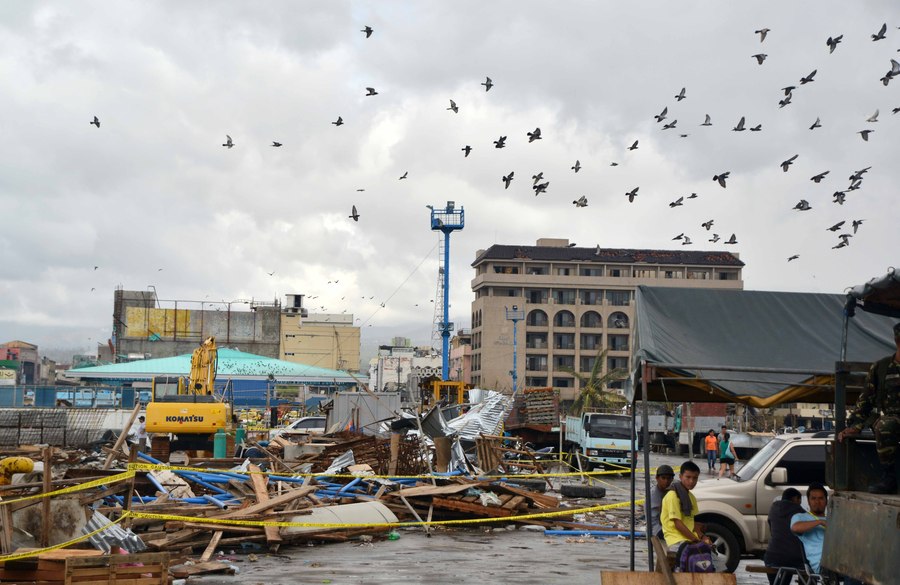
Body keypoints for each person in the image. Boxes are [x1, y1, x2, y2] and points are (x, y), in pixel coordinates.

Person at [838, 321, 900, 494]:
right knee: (885, 426)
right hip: (894, 418)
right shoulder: (882, 367)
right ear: (897, 341)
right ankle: (889, 477)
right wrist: (855, 425)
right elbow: (866, 399)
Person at [660, 460, 715, 572]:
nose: (691, 481)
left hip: (688, 538)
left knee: (712, 557)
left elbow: (691, 522)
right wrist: (696, 540)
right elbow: (678, 523)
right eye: (688, 477)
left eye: (695, 478)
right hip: (675, 539)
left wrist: (703, 537)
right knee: (698, 557)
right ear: (680, 477)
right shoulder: (672, 496)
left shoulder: (691, 497)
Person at [763, 488, 806, 585]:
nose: (799, 503)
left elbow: (772, 531)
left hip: (772, 557)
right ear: (796, 498)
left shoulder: (773, 509)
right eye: (799, 501)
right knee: (797, 562)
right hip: (794, 559)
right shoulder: (800, 512)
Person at [790, 483, 828, 575]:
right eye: (813, 498)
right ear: (808, 501)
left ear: (826, 500)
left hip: (841, 560)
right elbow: (795, 528)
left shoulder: (833, 518)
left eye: (821, 498)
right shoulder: (800, 517)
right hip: (822, 564)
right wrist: (820, 522)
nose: (817, 502)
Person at [646, 464, 675, 539]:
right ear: (657, 478)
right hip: (656, 529)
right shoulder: (653, 494)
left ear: (672, 479)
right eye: (663, 478)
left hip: (665, 526)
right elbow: (662, 517)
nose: (666, 481)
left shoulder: (670, 491)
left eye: (669, 478)